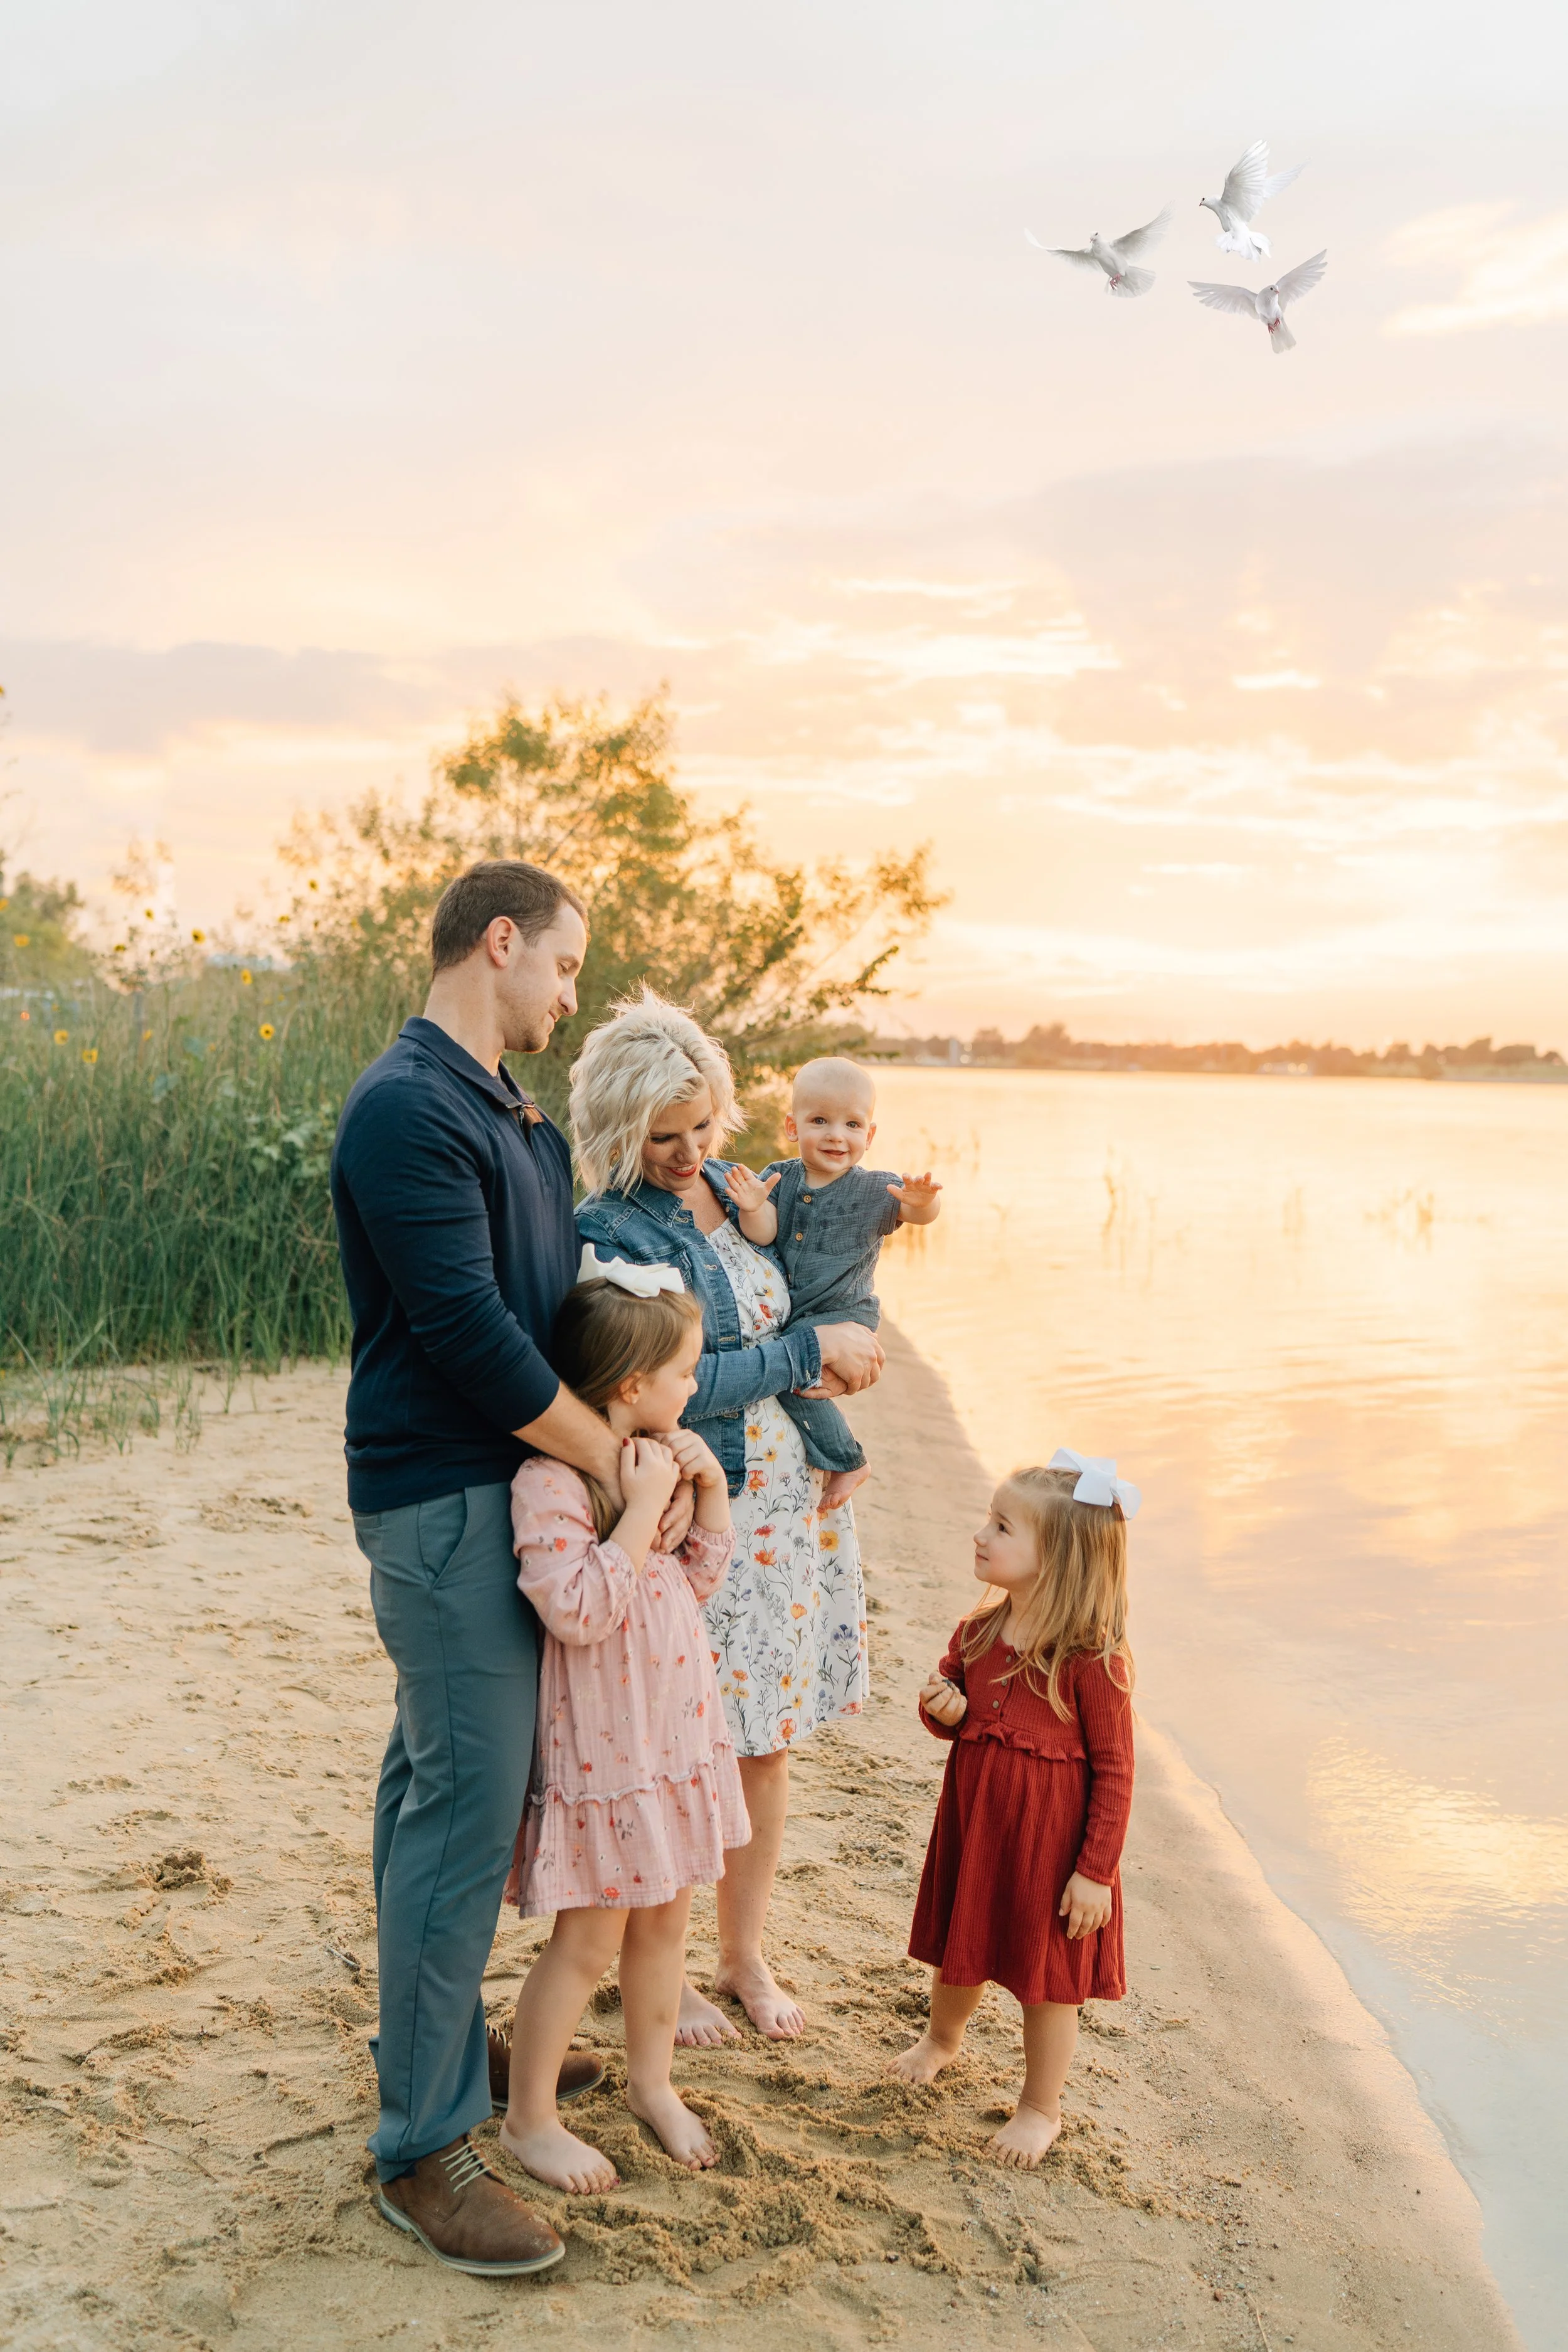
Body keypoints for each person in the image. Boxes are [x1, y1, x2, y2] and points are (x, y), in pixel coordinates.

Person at [331, 859, 687, 2276]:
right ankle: (423, 2145)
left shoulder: (514, 1117)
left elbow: (559, 1313)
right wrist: (612, 1464)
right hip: (442, 1494)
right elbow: (477, 1336)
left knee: (432, 1778)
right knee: (464, 1812)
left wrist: (671, 1427)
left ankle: (431, 2048)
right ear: (500, 941)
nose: (572, 991)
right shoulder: (409, 1107)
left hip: (509, 1486)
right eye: (567, 964)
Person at [571, 991, 884, 2042]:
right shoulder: (612, 1228)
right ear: (621, 1128)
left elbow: (803, 1295)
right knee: (679, 1749)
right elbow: (670, 1379)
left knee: (764, 1742)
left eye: (704, 1125)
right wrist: (807, 1357)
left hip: (787, 1504)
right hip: (699, 1514)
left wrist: (845, 1364)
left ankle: (743, 1954)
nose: (688, 1150)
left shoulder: (737, 1186)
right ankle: (661, 1964)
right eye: (664, 1135)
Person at [499, 1258, 746, 2193]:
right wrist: (641, 1509)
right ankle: (529, 2115)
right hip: (608, 1758)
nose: (696, 1384)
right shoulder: (551, 1481)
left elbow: (689, 1587)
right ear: (632, 1385)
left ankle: (653, 2082)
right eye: (685, 1371)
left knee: (665, 1930)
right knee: (588, 1941)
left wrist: (707, 1497)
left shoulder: (660, 1466)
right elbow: (578, 1610)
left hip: (672, 1745)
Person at [891, 1448, 1139, 2169]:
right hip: (979, 1828)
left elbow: (1118, 1773)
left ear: (1056, 1560)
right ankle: (942, 2039)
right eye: (988, 1521)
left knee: (1047, 1980)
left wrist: (1095, 1872)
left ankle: (1040, 2106)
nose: (980, 1535)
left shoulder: (1093, 1660)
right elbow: (951, 1708)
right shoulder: (977, 1632)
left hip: (1052, 1849)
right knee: (961, 1945)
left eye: (1001, 1528)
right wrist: (942, 1710)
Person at [721, 1054, 942, 1510]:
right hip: (799, 1312)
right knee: (789, 1367)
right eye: (820, 1120)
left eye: (852, 1124)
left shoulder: (874, 1190)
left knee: (796, 1376)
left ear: (870, 1135)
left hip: (846, 1313)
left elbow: (916, 1214)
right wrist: (752, 1206)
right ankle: (823, 1456)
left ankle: (847, 1459)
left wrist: (924, 1203)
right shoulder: (780, 1179)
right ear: (792, 1126)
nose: (836, 1135)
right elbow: (763, 1232)